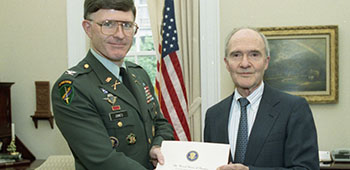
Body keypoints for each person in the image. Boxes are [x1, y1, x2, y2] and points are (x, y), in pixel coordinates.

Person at [51, 0, 174, 169]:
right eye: (108, 24)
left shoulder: (139, 74)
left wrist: (157, 146)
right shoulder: (73, 87)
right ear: (88, 28)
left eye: (127, 25)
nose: (120, 34)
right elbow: (103, 160)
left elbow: (161, 123)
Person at [204, 28, 319, 170]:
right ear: (227, 63)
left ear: (266, 62)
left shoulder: (293, 109)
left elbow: (306, 168)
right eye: (236, 55)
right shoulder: (214, 115)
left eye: (254, 55)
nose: (244, 63)